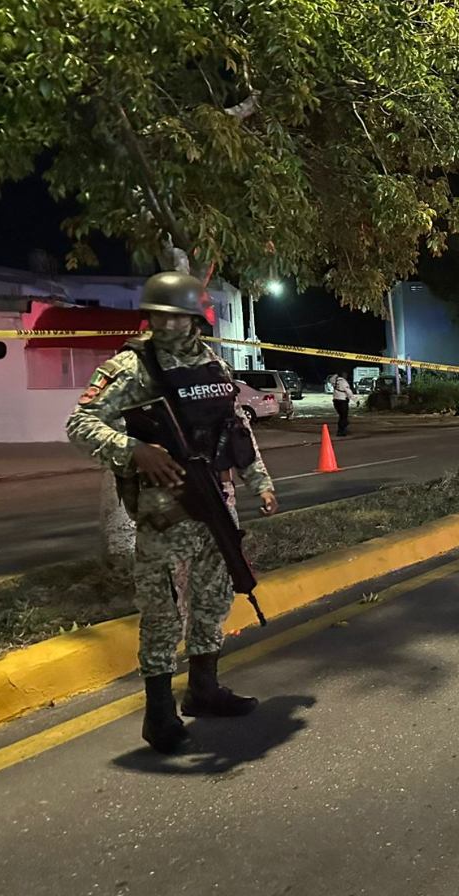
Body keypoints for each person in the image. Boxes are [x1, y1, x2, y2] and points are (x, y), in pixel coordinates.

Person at [66, 271, 278, 754]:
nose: (164, 323)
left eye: (173, 315)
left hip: (216, 505)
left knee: (214, 600)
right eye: (156, 314)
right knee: (163, 613)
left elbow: (236, 431)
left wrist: (260, 485)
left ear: (193, 319)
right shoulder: (131, 367)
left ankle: (203, 689)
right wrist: (134, 450)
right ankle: (158, 714)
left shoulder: (212, 366)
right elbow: (80, 424)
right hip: (166, 515)